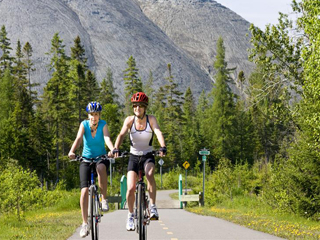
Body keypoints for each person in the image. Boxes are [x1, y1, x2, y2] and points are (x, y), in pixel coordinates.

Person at [113, 92, 166, 231]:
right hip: (134, 157)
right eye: (135, 106)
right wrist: (116, 148)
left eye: (140, 106)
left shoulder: (151, 119)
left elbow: (158, 132)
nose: (137, 108)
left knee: (149, 174)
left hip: (148, 155)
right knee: (130, 188)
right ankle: (130, 215)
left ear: (145, 107)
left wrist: (163, 147)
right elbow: (121, 134)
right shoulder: (129, 120)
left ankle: (153, 207)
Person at [68, 101, 115, 238]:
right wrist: (72, 151)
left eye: (96, 114)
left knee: (101, 168)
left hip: (100, 157)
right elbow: (78, 139)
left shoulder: (103, 124)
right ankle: (84, 223)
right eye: (91, 114)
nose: (94, 117)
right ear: (88, 115)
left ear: (99, 115)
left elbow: (107, 138)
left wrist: (113, 149)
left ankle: (104, 198)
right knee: (83, 191)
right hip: (86, 159)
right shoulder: (83, 125)